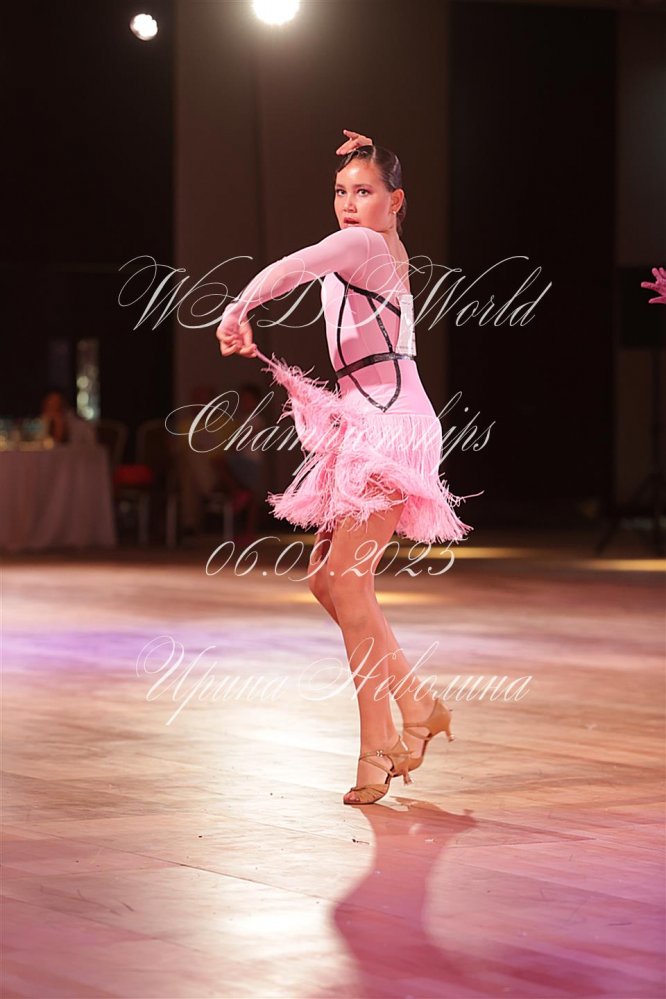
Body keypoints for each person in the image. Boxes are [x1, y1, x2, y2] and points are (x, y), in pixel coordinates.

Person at [216, 128, 480, 806]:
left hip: (389, 423)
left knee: (347, 581)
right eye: (340, 191)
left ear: (396, 201)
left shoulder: (365, 245)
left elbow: (294, 266)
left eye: (364, 191)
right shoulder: (369, 249)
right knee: (326, 580)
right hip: (364, 420)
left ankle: (378, 742)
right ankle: (417, 703)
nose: (348, 204)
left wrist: (239, 307)